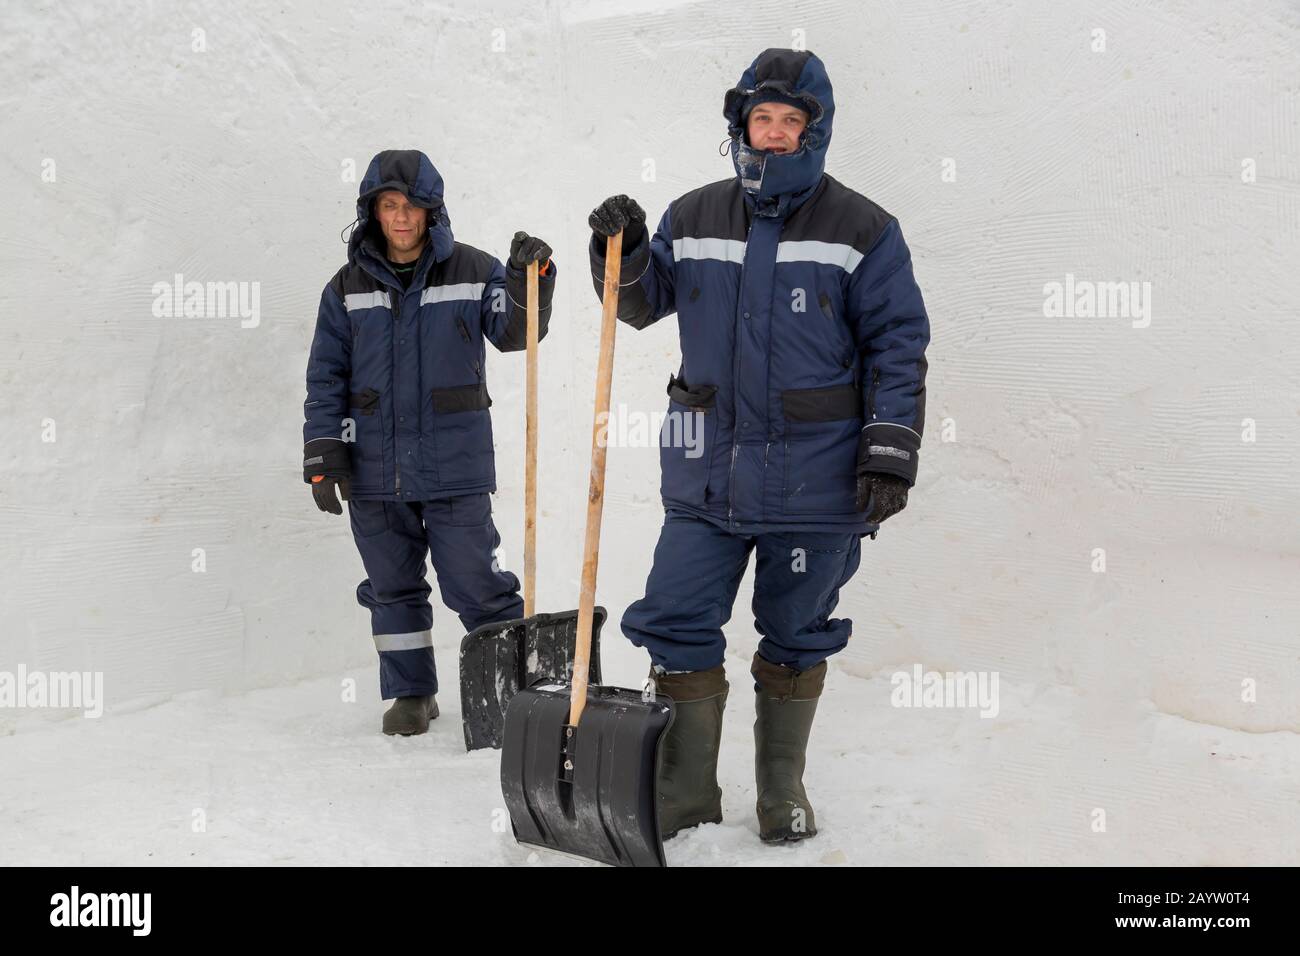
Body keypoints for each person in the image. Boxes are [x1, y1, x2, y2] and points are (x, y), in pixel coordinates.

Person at [588, 50, 930, 841]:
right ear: (739, 125)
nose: (771, 136)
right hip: (704, 472)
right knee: (675, 614)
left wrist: (890, 449)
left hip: (817, 481)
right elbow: (638, 306)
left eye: (789, 122)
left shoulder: (864, 230)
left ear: (815, 131)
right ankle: (683, 790)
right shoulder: (695, 213)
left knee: (797, 627)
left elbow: (898, 343)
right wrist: (630, 250)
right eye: (760, 120)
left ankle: (782, 786)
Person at [303, 149, 555, 735]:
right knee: (392, 586)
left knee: (475, 581)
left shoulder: (474, 269)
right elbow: (325, 375)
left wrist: (528, 279)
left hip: (454, 465)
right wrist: (323, 451)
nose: (401, 217)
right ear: (372, 211)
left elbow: (517, 331)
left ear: (432, 211)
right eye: (389, 206)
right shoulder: (345, 288)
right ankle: (412, 693)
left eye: (412, 206)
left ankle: (511, 691)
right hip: (373, 467)